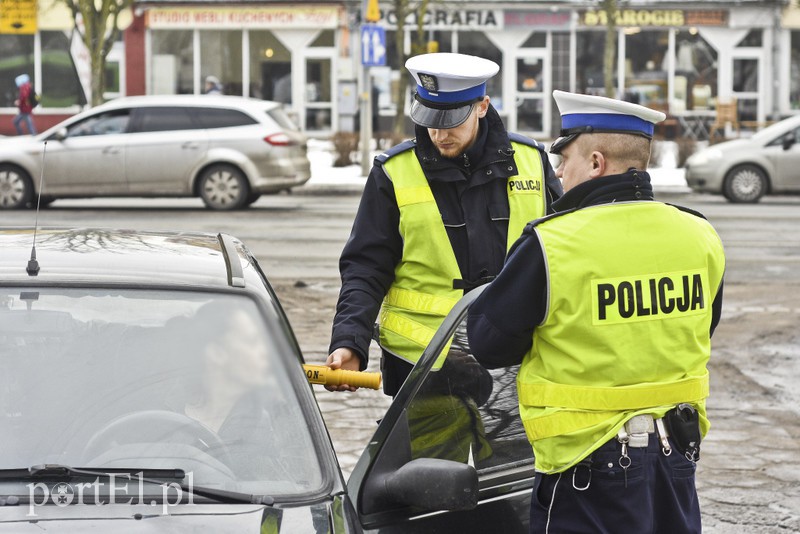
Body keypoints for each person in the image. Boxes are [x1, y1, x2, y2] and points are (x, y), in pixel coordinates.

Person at [467, 90, 726, 533]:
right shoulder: (699, 234)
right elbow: (703, 325)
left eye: (563, 159)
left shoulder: (553, 244)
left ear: (596, 163)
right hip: (676, 456)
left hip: (584, 467)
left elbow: (487, 344)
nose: (559, 172)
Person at [325, 53, 561, 461]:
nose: (438, 133)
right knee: (431, 499)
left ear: (482, 107)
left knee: (513, 496)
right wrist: (350, 341)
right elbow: (365, 267)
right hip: (425, 369)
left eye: (450, 121)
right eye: (429, 118)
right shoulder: (394, 171)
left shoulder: (531, 163)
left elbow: (565, 253)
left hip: (516, 363)